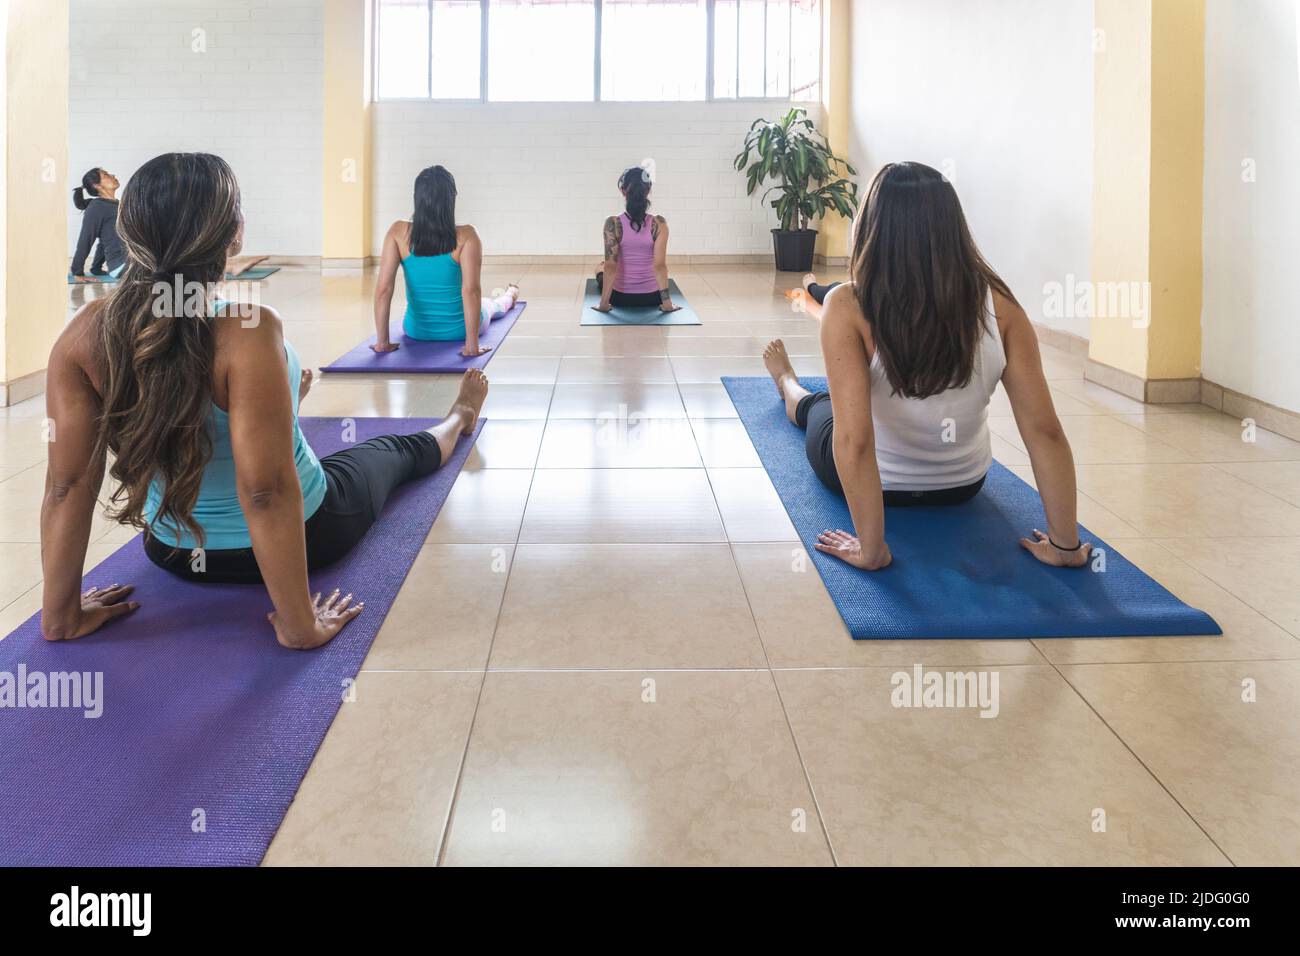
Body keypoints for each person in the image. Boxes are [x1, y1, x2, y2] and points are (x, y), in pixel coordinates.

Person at [41, 152, 489, 650]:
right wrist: (301, 626)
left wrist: (61, 616)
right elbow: (265, 491)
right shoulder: (249, 329)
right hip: (310, 535)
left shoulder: (82, 334)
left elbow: (67, 486)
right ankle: (458, 416)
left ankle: (307, 411)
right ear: (232, 231)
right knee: (389, 453)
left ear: (129, 232)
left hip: (169, 550)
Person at [761, 161, 1091, 572]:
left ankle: (786, 381)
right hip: (961, 487)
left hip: (882, 490)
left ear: (872, 228)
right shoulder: (1002, 305)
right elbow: (1045, 430)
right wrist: (1065, 544)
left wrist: (872, 548)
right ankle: (791, 383)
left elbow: (854, 443)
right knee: (841, 406)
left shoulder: (845, 305)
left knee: (820, 408)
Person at [373, 165, 519, 357]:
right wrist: (471, 347)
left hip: (416, 330)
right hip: (459, 331)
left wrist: (383, 343)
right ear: (452, 199)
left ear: (417, 197)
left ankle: (509, 294)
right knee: (491, 306)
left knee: (484, 303)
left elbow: (383, 290)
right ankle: (510, 295)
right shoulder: (467, 236)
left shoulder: (397, 233)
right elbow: (471, 291)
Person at [593, 166, 679, 313]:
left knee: (600, 268)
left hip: (620, 297)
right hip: (652, 297)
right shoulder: (660, 223)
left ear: (623, 191)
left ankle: (599, 275)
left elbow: (610, 266)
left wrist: (604, 305)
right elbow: (660, 266)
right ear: (648, 190)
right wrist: (667, 304)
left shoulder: (612, 223)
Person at [71, 168, 127, 281]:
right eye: (106, 175)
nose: (113, 175)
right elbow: (86, 238)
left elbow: (106, 239)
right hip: (123, 265)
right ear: (97, 185)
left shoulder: (117, 205)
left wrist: (96, 268)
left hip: (129, 261)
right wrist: (77, 272)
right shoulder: (96, 207)